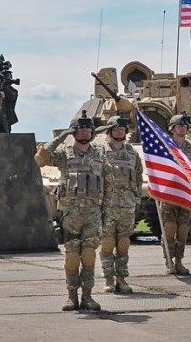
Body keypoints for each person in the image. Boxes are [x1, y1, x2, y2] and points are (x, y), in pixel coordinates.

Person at [34, 111, 113, 312]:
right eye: (80, 129)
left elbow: (108, 184)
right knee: (71, 257)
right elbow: (40, 160)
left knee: (88, 255)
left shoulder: (100, 155)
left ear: (92, 132)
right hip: (71, 215)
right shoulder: (64, 154)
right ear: (74, 132)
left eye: (87, 129)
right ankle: (71, 296)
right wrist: (61, 136)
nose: (84, 132)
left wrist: (105, 211)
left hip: (93, 215)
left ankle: (87, 296)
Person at [97, 115, 142, 293]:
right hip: (108, 204)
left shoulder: (132, 153)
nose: (119, 131)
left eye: (122, 129)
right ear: (109, 131)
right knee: (107, 242)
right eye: (115, 129)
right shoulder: (101, 152)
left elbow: (138, 176)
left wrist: (137, 198)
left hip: (127, 204)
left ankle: (121, 278)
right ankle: (108, 277)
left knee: (123, 243)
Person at [159, 113, 191, 275]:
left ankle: (179, 261)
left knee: (183, 228)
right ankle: (169, 260)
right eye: (179, 126)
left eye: (184, 126)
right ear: (172, 128)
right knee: (169, 227)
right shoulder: (165, 147)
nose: (182, 128)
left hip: (186, 193)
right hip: (169, 193)